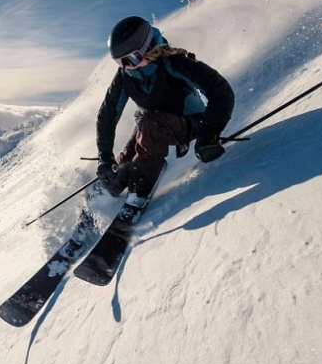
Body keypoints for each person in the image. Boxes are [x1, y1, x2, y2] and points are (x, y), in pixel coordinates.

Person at [95, 16, 235, 218]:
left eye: (131, 59)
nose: (127, 66)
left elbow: (220, 90)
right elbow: (107, 115)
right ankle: (111, 189)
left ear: (148, 47)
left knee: (149, 125)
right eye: (120, 62)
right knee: (123, 164)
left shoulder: (173, 63)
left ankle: (139, 191)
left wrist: (209, 135)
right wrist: (105, 157)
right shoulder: (125, 76)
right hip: (151, 126)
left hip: (192, 122)